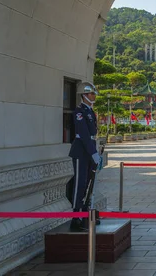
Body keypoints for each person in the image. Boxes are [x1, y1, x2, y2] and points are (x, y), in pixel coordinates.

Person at [68, 82, 102, 231]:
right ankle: (76, 218)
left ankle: (84, 214)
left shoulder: (90, 111)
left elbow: (92, 135)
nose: (93, 96)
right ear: (84, 95)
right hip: (81, 151)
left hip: (89, 150)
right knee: (79, 184)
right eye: (91, 94)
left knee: (88, 184)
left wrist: (96, 152)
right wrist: (93, 153)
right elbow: (83, 134)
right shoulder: (79, 112)